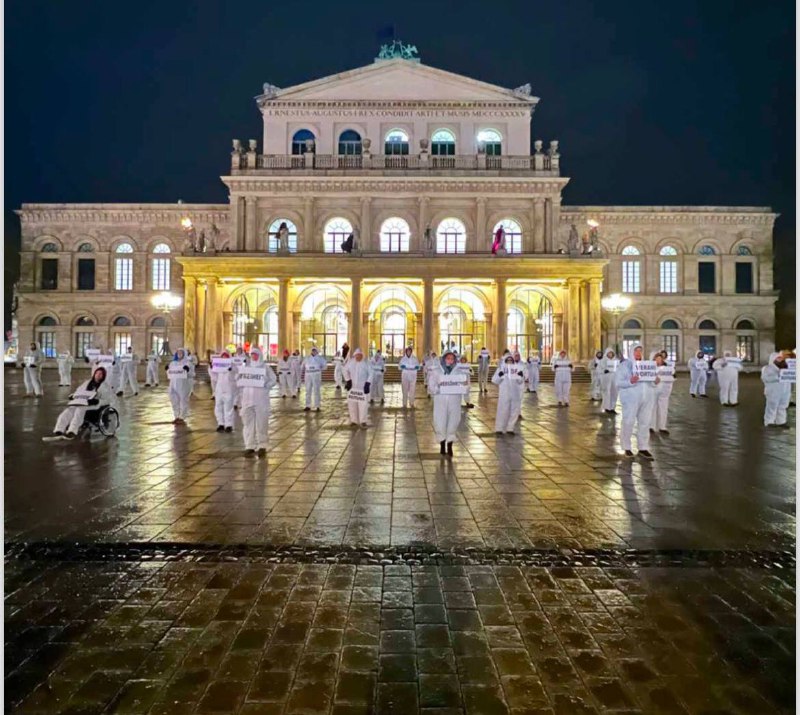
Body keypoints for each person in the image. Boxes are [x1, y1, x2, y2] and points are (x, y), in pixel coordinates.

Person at [47, 366, 115, 440]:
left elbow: (108, 400)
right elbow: (78, 391)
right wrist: (72, 396)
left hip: (95, 405)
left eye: (100, 374)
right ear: (94, 374)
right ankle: (59, 429)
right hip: (82, 402)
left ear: (103, 376)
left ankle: (72, 431)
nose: (98, 375)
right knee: (69, 410)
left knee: (80, 410)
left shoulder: (105, 386)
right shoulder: (87, 383)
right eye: (97, 373)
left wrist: (97, 401)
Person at [615, 343, 657, 460]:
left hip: (646, 398)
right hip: (631, 399)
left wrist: (655, 381)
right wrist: (631, 381)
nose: (638, 353)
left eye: (640, 351)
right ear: (631, 352)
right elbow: (618, 382)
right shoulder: (624, 366)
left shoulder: (647, 365)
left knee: (645, 422)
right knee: (628, 421)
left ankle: (643, 447)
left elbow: (651, 382)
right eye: (636, 351)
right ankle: (626, 446)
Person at [239, 346, 277, 457]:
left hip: (261, 399)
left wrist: (266, 386)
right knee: (248, 424)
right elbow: (238, 378)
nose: (254, 357)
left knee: (261, 423)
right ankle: (249, 445)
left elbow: (273, 379)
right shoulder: (246, 367)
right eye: (252, 355)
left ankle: (262, 445)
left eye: (256, 355)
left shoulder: (265, 368)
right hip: (247, 399)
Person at [427, 349, 464, 456]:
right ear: (444, 359)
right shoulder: (437, 371)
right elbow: (431, 385)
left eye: (452, 359)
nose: (450, 360)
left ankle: (450, 445)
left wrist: (462, 388)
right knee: (440, 421)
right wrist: (437, 389)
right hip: (440, 400)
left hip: (454, 401)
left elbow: (466, 384)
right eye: (448, 358)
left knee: (453, 421)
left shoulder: (459, 372)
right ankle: (442, 444)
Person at [493, 354, 525, 434]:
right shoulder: (501, 369)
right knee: (502, 410)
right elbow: (494, 380)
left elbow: (520, 381)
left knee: (514, 410)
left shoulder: (517, 369)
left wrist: (521, 376)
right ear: (505, 361)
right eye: (508, 361)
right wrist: (499, 376)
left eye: (511, 361)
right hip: (504, 393)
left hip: (515, 393)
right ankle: (499, 428)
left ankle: (510, 427)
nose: (510, 362)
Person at [761, 352, 791, 428]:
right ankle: (769, 421)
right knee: (772, 406)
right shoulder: (767, 368)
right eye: (778, 358)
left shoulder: (786, 367)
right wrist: (779, 376)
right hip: (773, 391)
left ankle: (781, 421)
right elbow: (765, 378)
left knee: (782, 406)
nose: (780, 360)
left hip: (784, 391)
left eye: (781, 358)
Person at [344, 348, 371, 427]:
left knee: (363, 405)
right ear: (354, 356)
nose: (358, 357)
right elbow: (345, 370)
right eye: (356, 355)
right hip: (353, 388)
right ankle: (354, 420)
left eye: (360, 355)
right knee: (352, 404)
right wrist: (348, 380)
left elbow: (371, 373)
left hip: (362, 387)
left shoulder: (366, 363)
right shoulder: (351, 363)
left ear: (362, 355)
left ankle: (363, 421)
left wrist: (368, 383)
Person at [166, 347, 193, 424]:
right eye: (178, 353)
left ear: (184, 354)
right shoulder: (173, 363)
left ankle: (182, 416)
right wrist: (167, 369)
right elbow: (169, 374)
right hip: (173, 384)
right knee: (174, 400)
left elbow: (192, 374)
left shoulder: (188, 363)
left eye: (181, 353)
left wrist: (187, 370)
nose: (179, 354)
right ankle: (176, 416)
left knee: (183, 400)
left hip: (183, 385)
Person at [650, 351, 675, 435]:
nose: (659, 360)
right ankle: (651, 426)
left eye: (660, 359)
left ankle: (662, 426)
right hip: (653, 390)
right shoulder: (650, 368)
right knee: (652, 408)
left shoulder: (669, 368)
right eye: (657, 359)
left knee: (663, 409)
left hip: (664, 392)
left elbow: (672, 377)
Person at [213, 351, 237, 432]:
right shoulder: (218, 367)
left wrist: (231, 369)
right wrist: (211, 367)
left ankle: (229, 424)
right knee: (218, 406)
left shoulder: (232, 365)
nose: (224, 358)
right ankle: (220, 423)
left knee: (228, 407)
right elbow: (214, 376)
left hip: (228, 389)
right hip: (219, 389)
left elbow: (236, 371)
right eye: (223, 357)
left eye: (226, 357)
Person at [302, 347, 326, 411]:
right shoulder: (307, 358)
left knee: (316, 390)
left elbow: (325, 366)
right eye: (312, 350)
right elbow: (302, 366)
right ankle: (308, 405)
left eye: (315, 351)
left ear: (317, 351)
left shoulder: (320, 358)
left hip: (316, 375)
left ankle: (317, 406)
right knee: (308, 390)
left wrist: (320, 369)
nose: (313, 352)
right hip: (308, 375)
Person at [599, 347, 619, 414]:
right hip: (606, 379)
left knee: (614, 393)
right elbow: (599, 369)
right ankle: (607, 407)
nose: (610, 354)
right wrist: (604, 371)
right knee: (607, 393)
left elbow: (619, 368)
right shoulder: (603, 361)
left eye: (611, 353)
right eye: (609, 353)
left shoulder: (616, 360)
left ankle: (612, 407)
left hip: (614, 379)